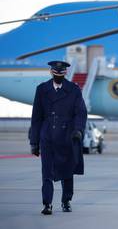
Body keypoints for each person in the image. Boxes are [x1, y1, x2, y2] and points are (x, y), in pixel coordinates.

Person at [29, 61, 87, 215]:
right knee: (46, 172)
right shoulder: (41, 90)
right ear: (51, 73)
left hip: (67, 135)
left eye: (60, 74)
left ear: (65, 74)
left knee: (67, 171)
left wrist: (78, 130)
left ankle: (66, 200)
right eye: (56, 74)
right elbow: (36, 117)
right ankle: (47, 203)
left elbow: (80, 112)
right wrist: (34, 142)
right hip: (47, 136)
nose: (58, 76)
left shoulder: (74, 90)